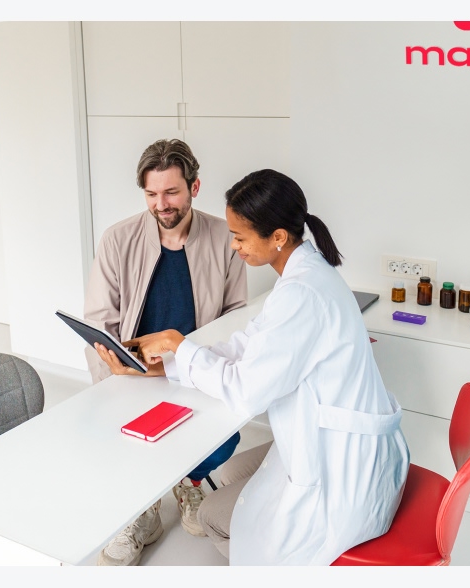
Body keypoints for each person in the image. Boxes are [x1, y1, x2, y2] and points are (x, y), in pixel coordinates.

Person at [97, 169, 410, 565]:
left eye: (240, 237)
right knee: (230, 476)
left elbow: (247, 392)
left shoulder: (301, 294)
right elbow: (247, 346)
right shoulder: (305, 273)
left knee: (214, 516)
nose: (234, 246)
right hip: (339, 443)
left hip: (342, 472)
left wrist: (179, 344)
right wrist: (169, 365)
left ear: (277, 237)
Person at [84, 138, 248, 566]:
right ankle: (142, 509)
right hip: (134, 374)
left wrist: (203, 367)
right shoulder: (118, 238)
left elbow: (235, 317)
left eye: (171, 192)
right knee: (124, 442)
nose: (161, 204)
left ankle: (189, 484)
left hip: (196, 370)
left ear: (195, 187)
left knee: (223, 437)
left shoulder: (225, 237)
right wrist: (112, 379)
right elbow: (99, 320)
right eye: (151, 194)